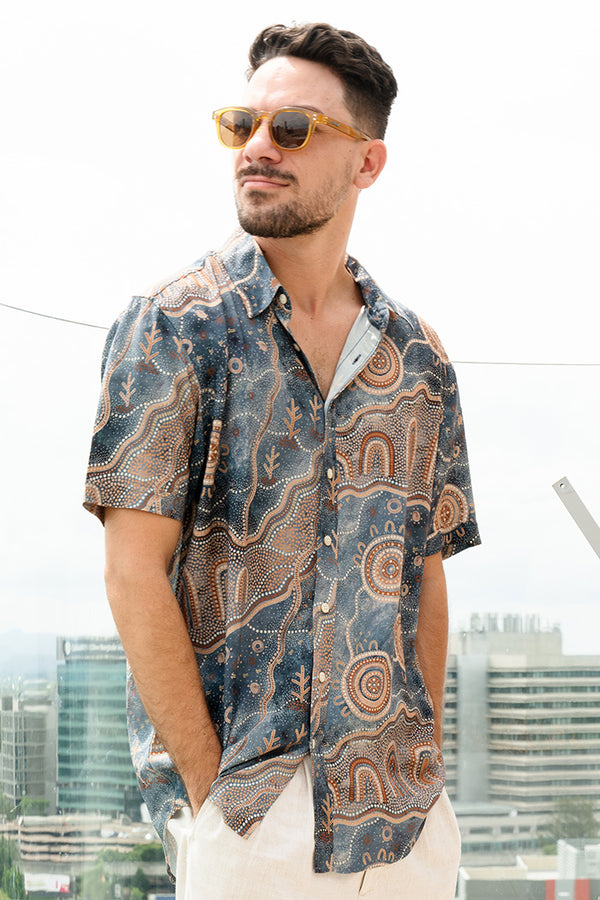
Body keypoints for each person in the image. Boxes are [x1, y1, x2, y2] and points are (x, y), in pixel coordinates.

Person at [84, 22, 480, 899]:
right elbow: (131, 572)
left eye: (292, 129)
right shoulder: (173, 327)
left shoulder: (418, 358)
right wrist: (212, 795)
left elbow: (424, 573)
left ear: (367, 163)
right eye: (243, 125)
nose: (257, 148)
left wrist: (426, 768)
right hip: (250, 815)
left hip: (403, 817)